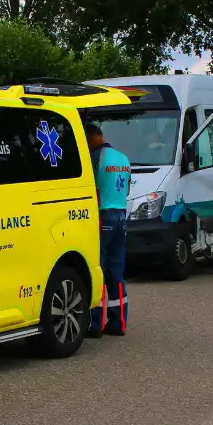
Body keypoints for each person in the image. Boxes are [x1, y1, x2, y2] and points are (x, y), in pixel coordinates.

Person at [86, 123, 131, 337]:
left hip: (103, 216)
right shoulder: (123, 158)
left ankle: (94, 325)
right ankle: (118, 322)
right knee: (116, 271)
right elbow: (127, 188)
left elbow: (89, 187)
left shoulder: (96, 158)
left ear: (92, 138)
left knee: (98, 270)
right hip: (121, 216)